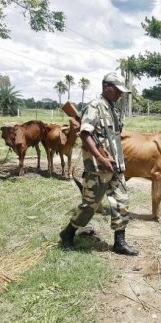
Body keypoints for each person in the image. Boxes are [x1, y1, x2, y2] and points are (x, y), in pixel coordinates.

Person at [58, 72, 138, 256]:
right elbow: (85, 134)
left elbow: (115, 136)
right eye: (117, 90)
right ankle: (67, 234)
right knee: (90, 205)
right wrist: (101, 158)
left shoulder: (113, 109)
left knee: (122, 202)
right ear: (105, 87)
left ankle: (119, 242)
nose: (119, 94)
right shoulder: (95, 106)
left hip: (116, 164)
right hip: (98, 167)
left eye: (121, 92)